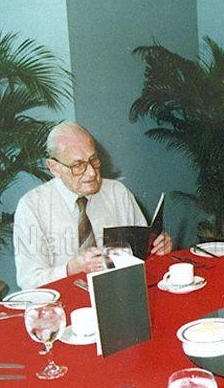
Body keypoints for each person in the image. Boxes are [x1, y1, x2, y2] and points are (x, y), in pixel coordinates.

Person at [13, 121, 172, 289]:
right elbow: (29, 281)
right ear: (54, 167)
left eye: (93, 160)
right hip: (66, 301)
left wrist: (157, 247)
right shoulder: (32, 206)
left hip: (119, 294)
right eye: (78, 165)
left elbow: (142, 256)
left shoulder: (117, 192)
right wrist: (70, 269)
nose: (91, 173)